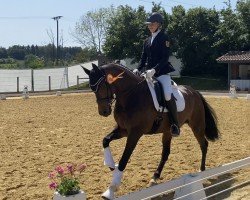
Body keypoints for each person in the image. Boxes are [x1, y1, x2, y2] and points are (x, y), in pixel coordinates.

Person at [133, 12, 180, 137]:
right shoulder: (147, 41)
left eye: (152, 24)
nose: (150, 26)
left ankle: (175, 124)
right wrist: (138, 69)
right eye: (149, 24)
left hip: (162, 72)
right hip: (148, 73)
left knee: (167, 95)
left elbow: (164, 58)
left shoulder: (164, 38)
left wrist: (154, 69)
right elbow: (143, 58)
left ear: (159, 24)